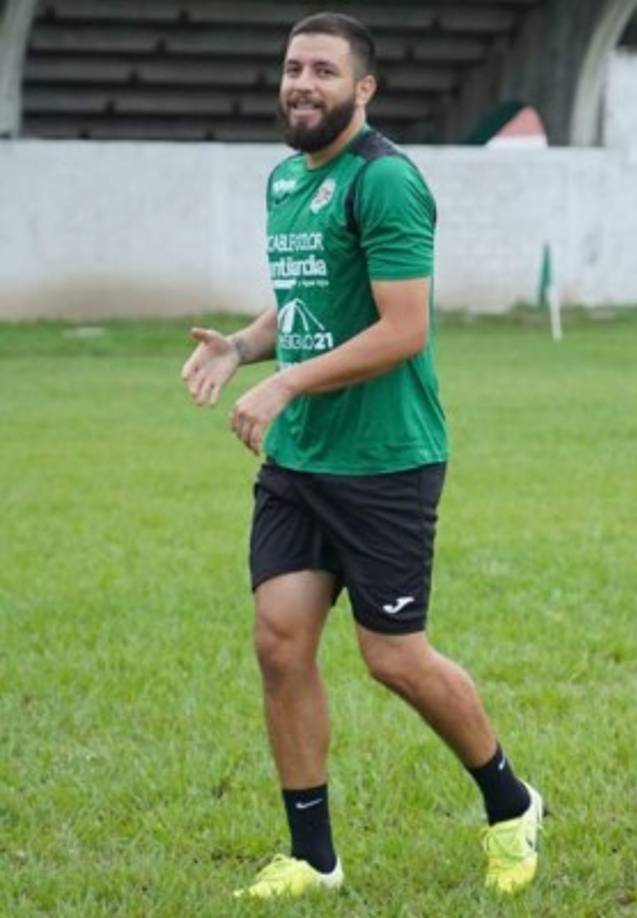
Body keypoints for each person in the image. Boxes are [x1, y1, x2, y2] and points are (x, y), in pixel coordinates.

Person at [180, 11, 543, 901]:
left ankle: (512, 802)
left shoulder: (385, 182)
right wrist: (241, 346)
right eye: (293, 68)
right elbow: (305, 304)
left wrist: (291, 385)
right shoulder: (285, 181)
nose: (303, 83)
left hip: (385, 461)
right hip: (302, 464)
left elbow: (403, 329)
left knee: (393, 658)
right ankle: (313, 857)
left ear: (363, 89)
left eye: (324, 71)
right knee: (279, 642)